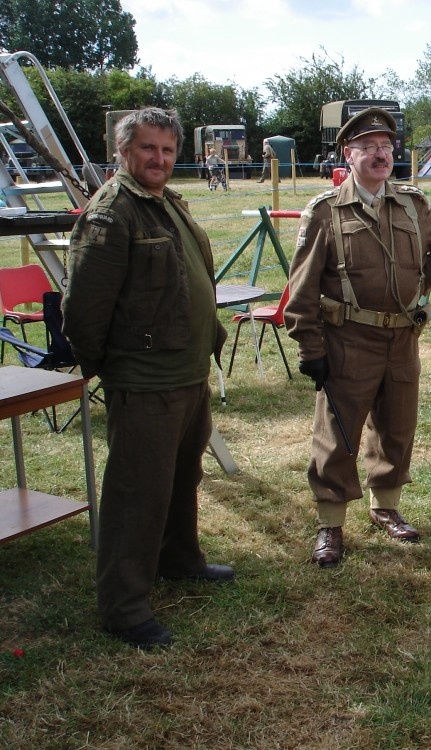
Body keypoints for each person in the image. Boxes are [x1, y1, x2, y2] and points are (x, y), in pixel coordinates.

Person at [62, 107, 234, 649]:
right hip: (144, 380)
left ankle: (179, 560)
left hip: (186, 373)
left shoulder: (165, 204)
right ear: (123, 152)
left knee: (182, 479)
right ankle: (124, 606)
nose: (157, 159)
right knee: (137, 495)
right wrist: (115, 372)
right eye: (146, 149)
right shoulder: (112, 213)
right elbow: (84, 310)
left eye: (165, 150)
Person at [285, 107, 431, 567]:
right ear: (349, 153)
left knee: (396, 427)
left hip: (402, 340)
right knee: (337, 435)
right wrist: (311, 348)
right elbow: (299, 290)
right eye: (369, 148)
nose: (381, 155)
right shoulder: (325, 211)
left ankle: (386, 506)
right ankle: (330, 522)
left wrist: (426, 281)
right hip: (348, 340)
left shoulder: (412, 204)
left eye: (386, 147)